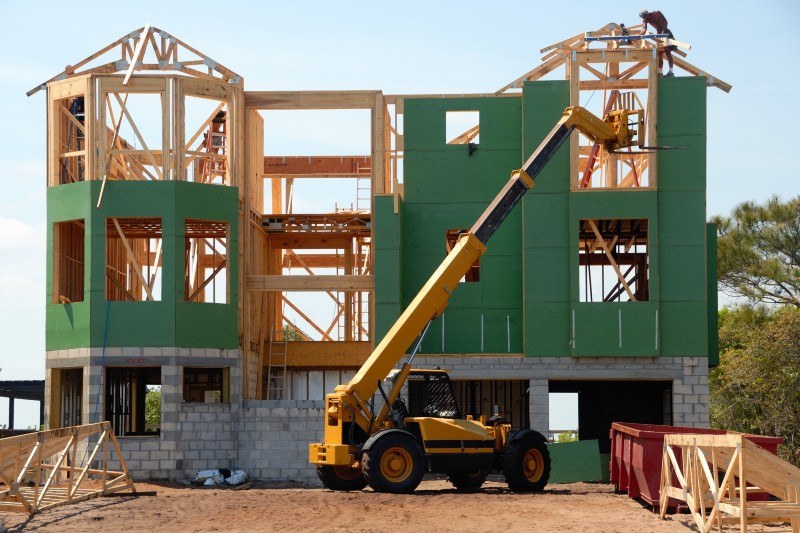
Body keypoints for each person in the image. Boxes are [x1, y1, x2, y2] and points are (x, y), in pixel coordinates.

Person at [639, 10, 677, 76]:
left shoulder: (657, 13)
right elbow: (644, 29)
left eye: (646, 17)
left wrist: (663, 31)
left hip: (666, 33)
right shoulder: (645, 20)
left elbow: (665, 22)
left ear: (648, 14)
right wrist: (639, 36)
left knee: (667, 50)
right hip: (659, 35)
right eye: (644, 18)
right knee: (660, 53)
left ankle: (671, 71)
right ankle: (660, 72)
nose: (646, 19)